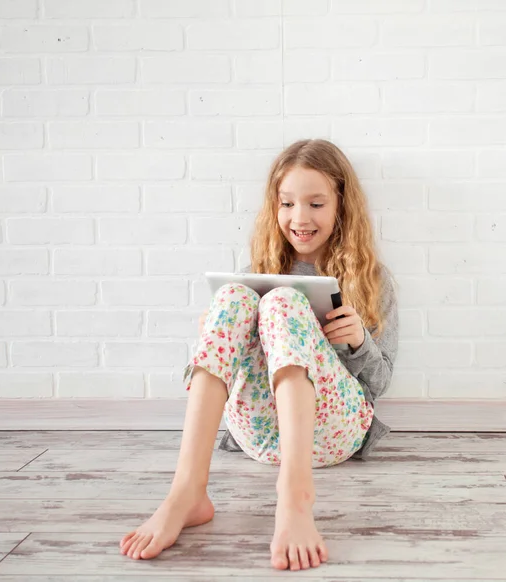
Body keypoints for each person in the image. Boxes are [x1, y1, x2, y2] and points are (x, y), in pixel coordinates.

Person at [119, 139, 399, 571]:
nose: (300, 218)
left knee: (284, 302)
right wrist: (216, 331)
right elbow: (217, 371)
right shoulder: (260, 267)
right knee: (231, 296)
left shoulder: (371, 278)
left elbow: (378, 386)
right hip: (260, 436)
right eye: (287, 203)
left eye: (317, 204)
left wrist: (360, 342)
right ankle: (187, 490)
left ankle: (295, 496)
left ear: (342, 205)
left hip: (332, 435)